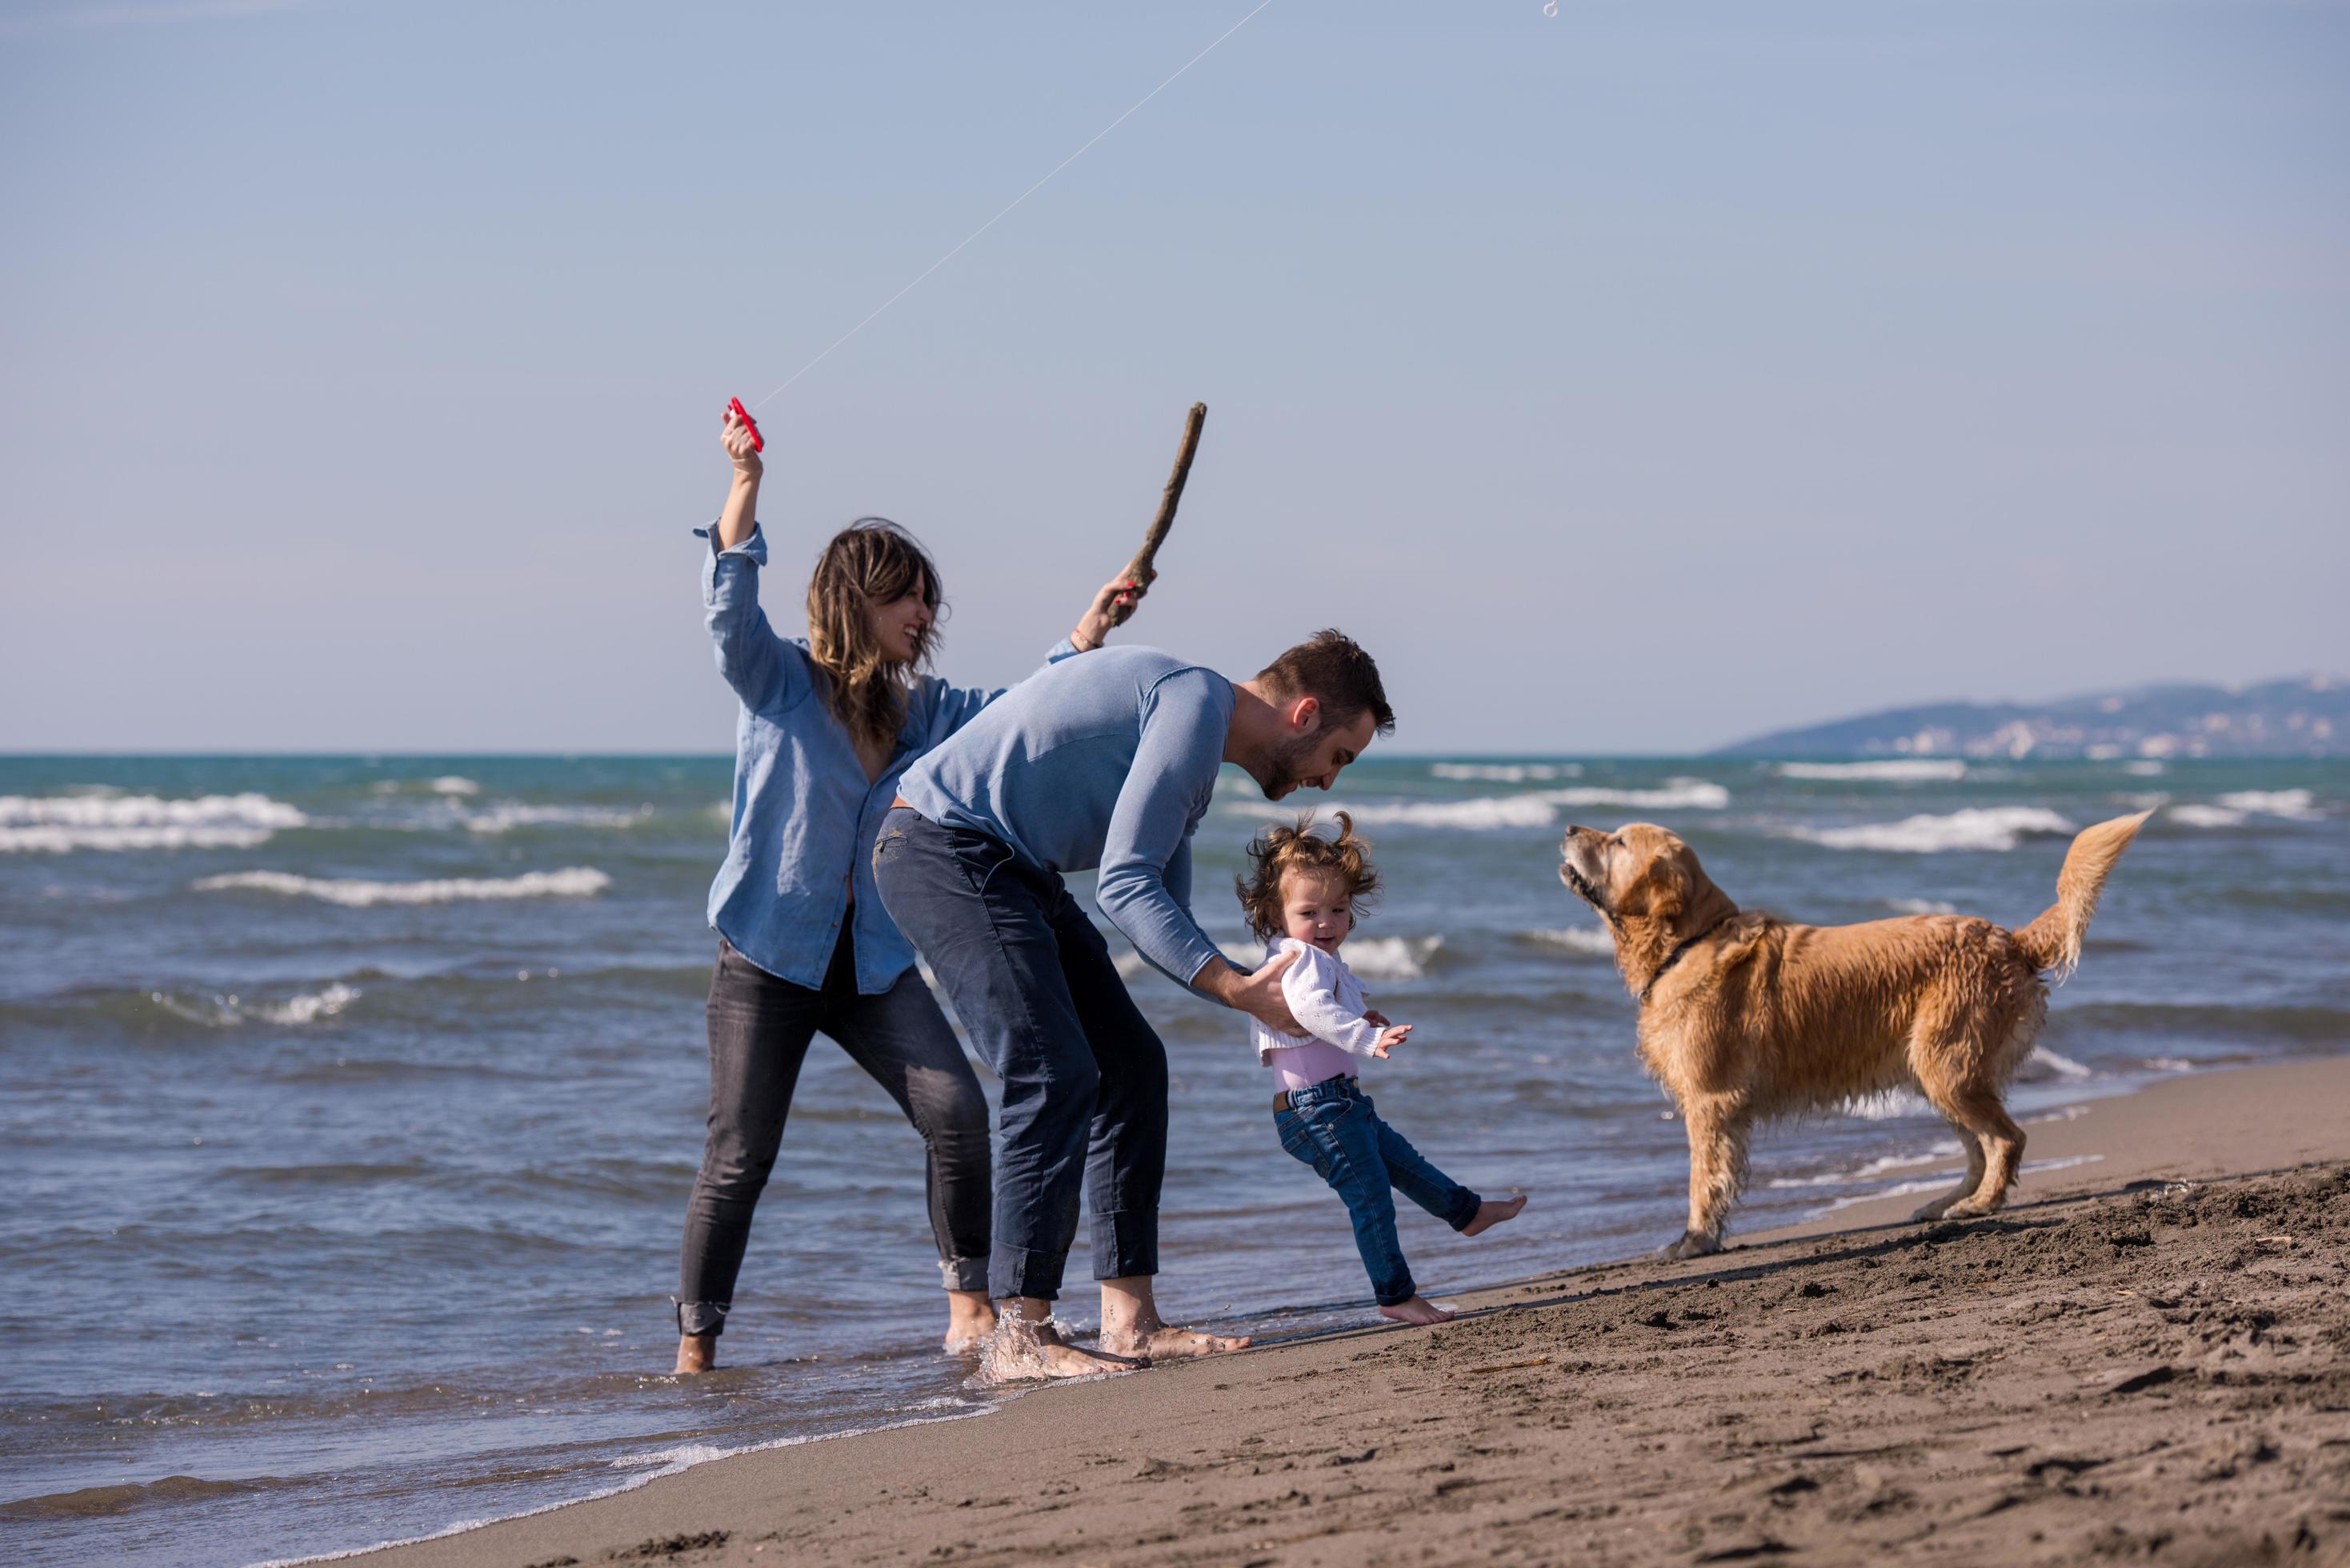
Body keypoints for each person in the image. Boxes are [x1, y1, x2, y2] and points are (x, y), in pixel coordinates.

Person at [675, 404, 1149, 1374]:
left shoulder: (928, 710)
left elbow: (1022, 708)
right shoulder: (779, 683)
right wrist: (746, 480)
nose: (925, 618)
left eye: (928, 601)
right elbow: (728, 606)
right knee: (739, 1158)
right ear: (861, 602)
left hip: (876, 968)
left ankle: (971, 1308)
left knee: (957, 1111)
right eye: (909, 600)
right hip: (765, 960)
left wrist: (1087, 632)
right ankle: (696, 1349)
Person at [871, 630, 1393, 1377]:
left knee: (1131, 1066)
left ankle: (1130, 1321)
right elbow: (1124, 887)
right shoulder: (1190, 702)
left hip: (1013, 868)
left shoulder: (1197, 737)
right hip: (940, 846)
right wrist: (1231, 986)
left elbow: (1159, 908)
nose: (1329, 782)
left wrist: (1256, 992)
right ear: (1305, 714)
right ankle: (1021, 1332)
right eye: (1338, 756)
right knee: (1051, 1072)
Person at [1234, 812, 1526, 1326]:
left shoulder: (1304, 954)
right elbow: (1308, 1011)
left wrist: (1358, 1019)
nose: (1326, 922)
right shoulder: (1301, 957)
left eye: (1339, 909)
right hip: (1318, 1111)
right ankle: (1395, 1295)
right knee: (1371, 1201)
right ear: (1277, 914)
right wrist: (1365, 1037)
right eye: (1310, 912)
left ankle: (1468, 1213)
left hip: (1335, 1104)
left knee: (1405, 1165)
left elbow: (1315, 1016)